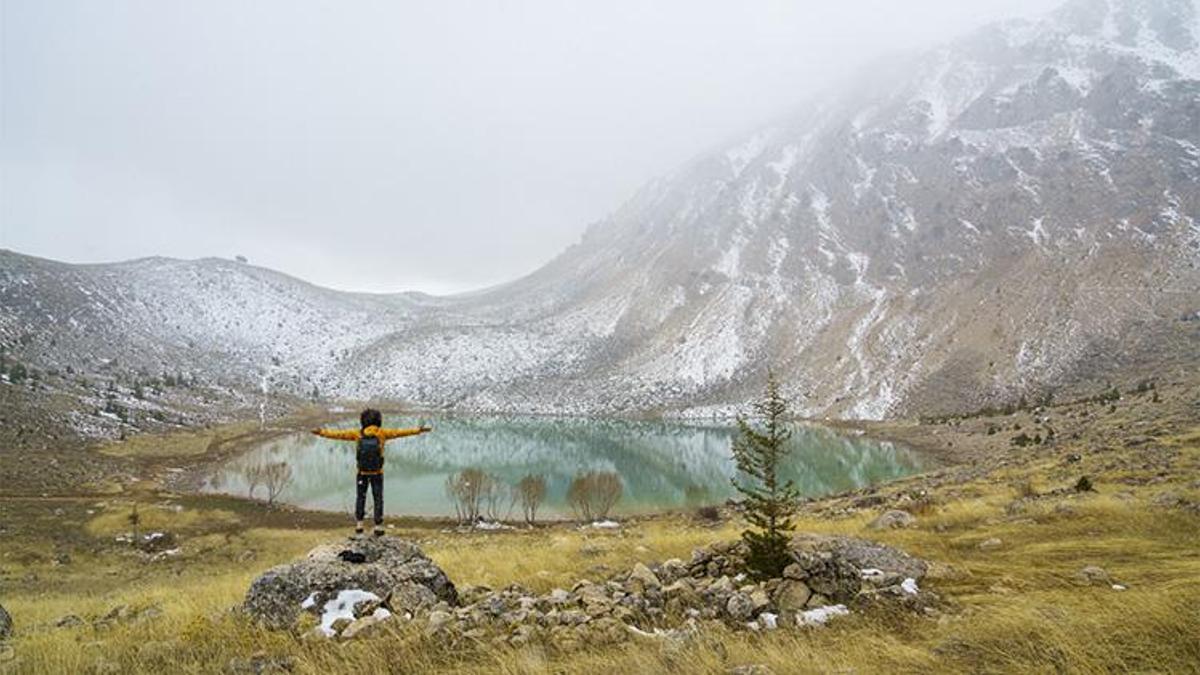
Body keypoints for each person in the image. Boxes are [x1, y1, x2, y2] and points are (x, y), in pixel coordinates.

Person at [312, 408, 431, 537]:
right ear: (378, 421)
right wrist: (418, 431)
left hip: (362, 472)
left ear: (363, 421)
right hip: (377, 473)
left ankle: (359, 526)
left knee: (361, 497)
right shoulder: (382, 433)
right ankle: (378, 526)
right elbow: (401, 432)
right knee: (378, 498)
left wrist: (321, 433)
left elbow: (338, 435)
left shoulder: (358, 434)